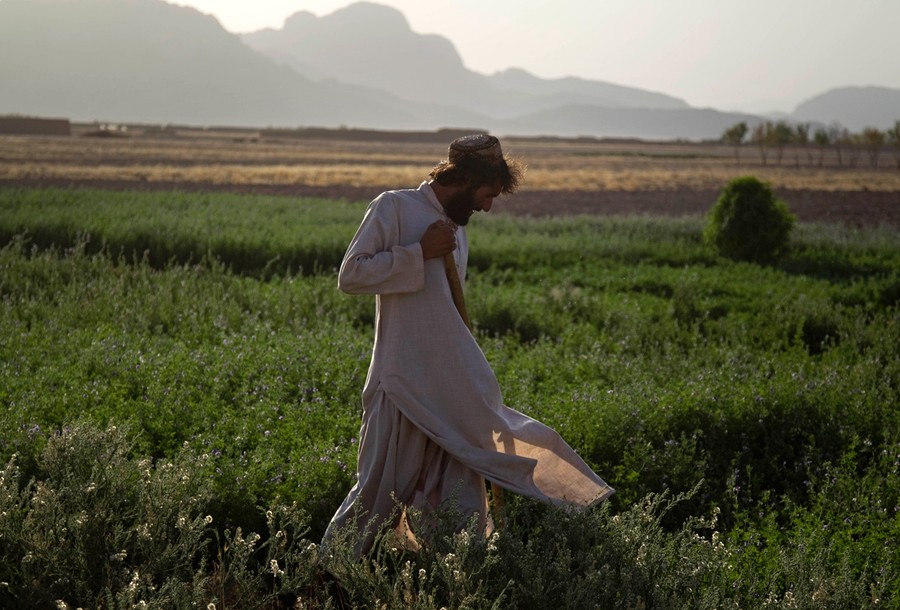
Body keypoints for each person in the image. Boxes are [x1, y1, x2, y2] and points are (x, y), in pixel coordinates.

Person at [322, 134, 613, 556]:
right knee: (376, 496)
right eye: (486, 194)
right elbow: (351, 276)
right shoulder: (394, 208)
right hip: (401, 385)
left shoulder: (458, 229)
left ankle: (459, 578)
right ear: (464, 180)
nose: (488, 206)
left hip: (451, 388)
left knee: (459, 504)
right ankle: (327, 576)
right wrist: (418, 252)